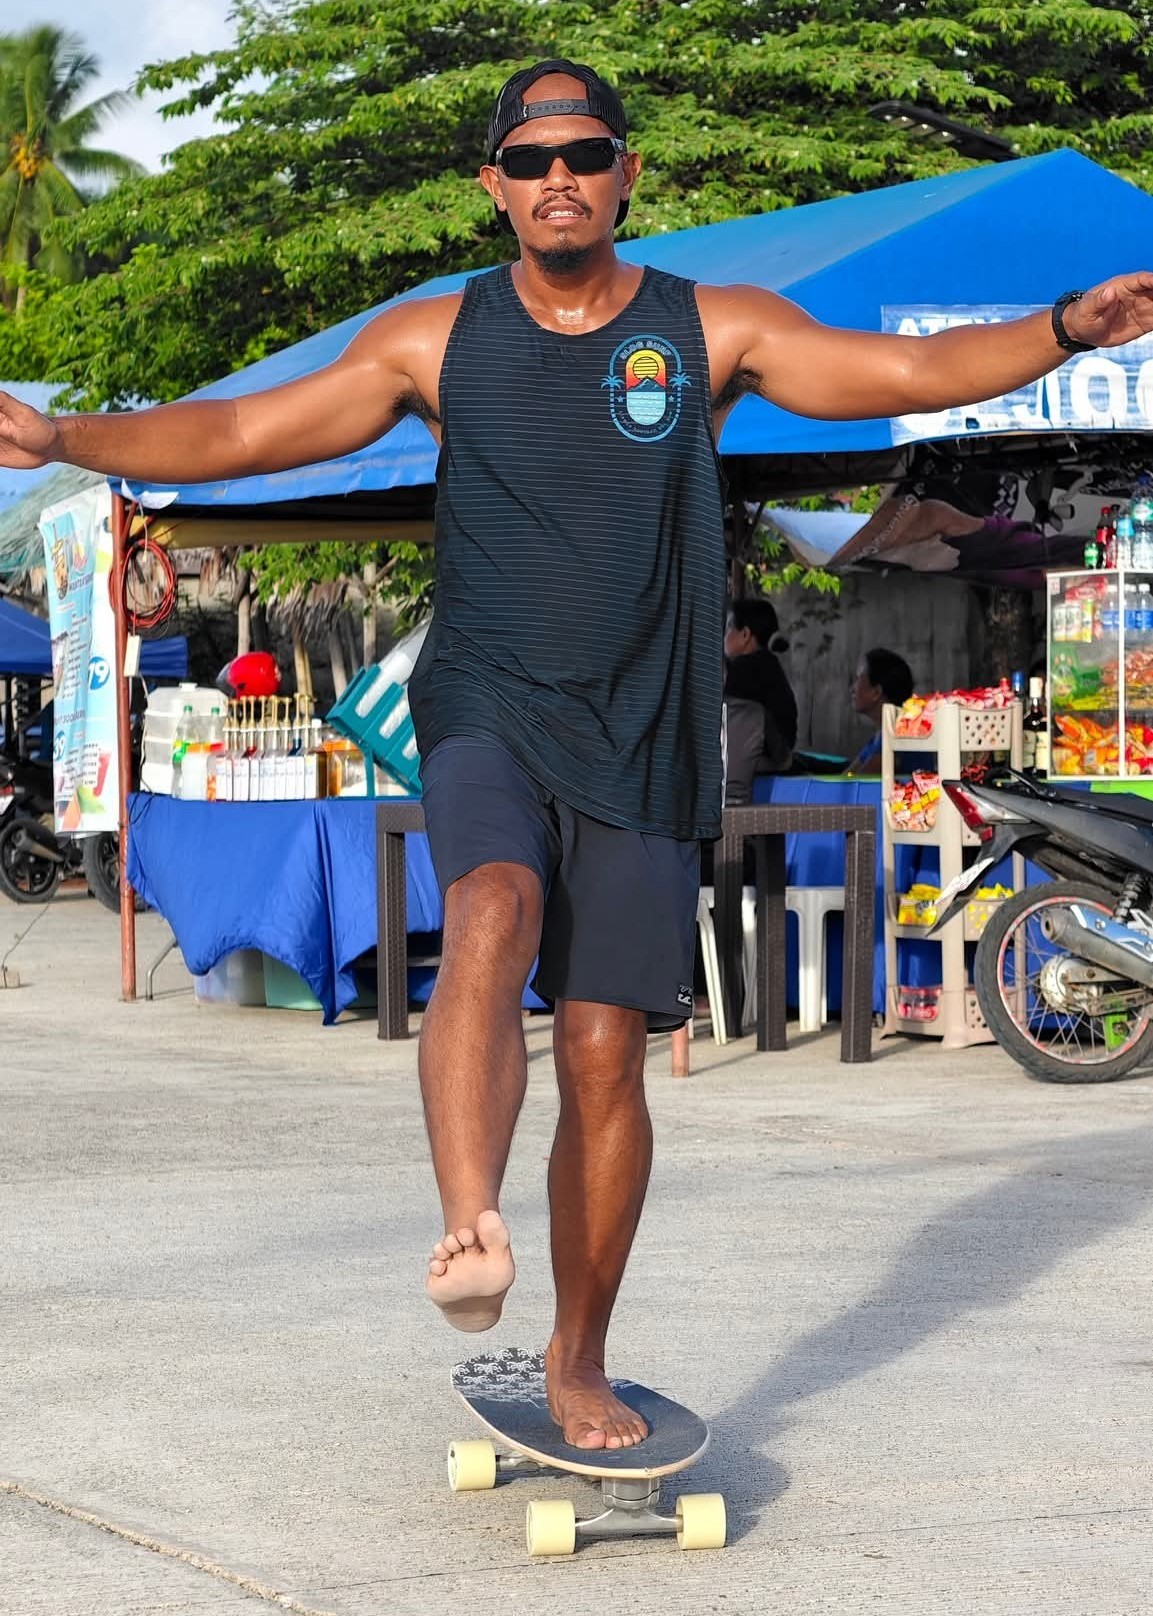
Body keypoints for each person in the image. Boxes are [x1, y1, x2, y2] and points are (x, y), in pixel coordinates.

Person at [1, 59, 1151, 1453]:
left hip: (648, 728)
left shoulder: (710, 327)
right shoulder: (436, 339)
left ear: (625, 175)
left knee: (605, 1057)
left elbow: (902, 375)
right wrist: (65, 436)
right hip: (490, 700)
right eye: (532, 158)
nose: (559, 177)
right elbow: (244, 430)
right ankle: (469, 1222)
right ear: (494, 185)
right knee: (489, 903)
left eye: (585, 154)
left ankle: (577, 1354)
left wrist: (1063, 327)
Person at [722, 598, 797, 804]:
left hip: (764, 760)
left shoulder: (744, 669)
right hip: (777, 755)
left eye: (728, 627)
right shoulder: (769, 665)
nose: (724, 635)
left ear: (745, 634)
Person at [845, 648, 915, 776]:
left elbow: (854, 782)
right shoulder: (879, 738)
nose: (852, 689)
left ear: (876, 692)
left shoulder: (897, 738)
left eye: (858, 678)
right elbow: (847, 777)